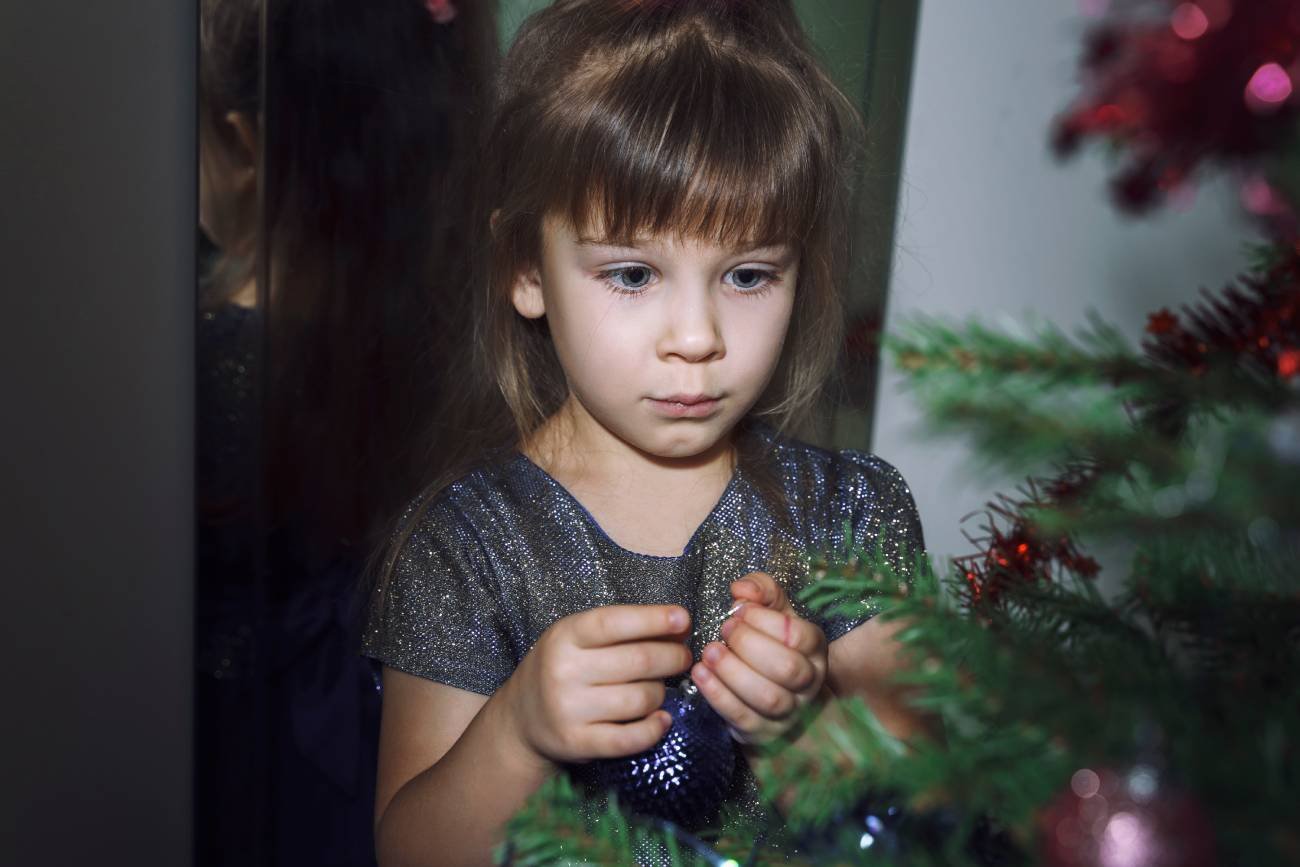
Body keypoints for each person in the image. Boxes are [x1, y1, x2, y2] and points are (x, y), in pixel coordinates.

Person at [361, 1, 928, 864]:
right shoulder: (463, 548)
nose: (696, 336)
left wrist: (806, 725)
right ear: (526, 268)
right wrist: (516, 731)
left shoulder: (848, 513)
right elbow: (411, 853)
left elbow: (933, 807)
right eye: (633, 273)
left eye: (747, 274)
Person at [197, 0, 494, 863]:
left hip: (229, 763)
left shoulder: (203, 362)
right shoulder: (469, 345)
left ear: (245, 143)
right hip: (417, 741)